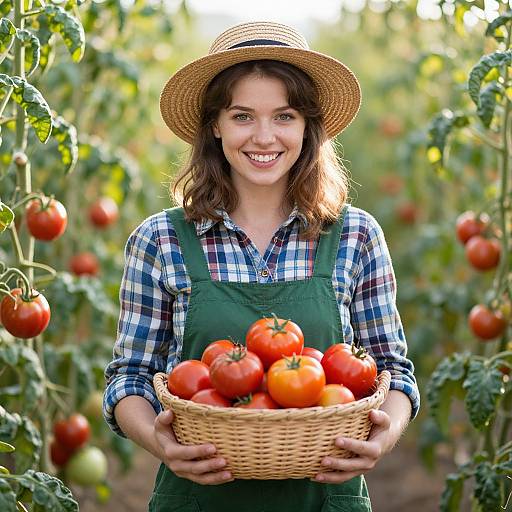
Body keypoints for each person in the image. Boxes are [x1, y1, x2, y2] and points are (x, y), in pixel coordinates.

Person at [103, 20, 420, 512]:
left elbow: (394, 371)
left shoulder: (355, 235)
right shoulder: (160, 239)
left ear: (307, 126)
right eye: (243, 116)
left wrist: (384, 435)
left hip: (324, 495)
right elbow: (129, 377)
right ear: (215, 124)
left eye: (285, 116)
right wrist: (160, 442)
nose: (265, 137)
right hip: (197, 495)